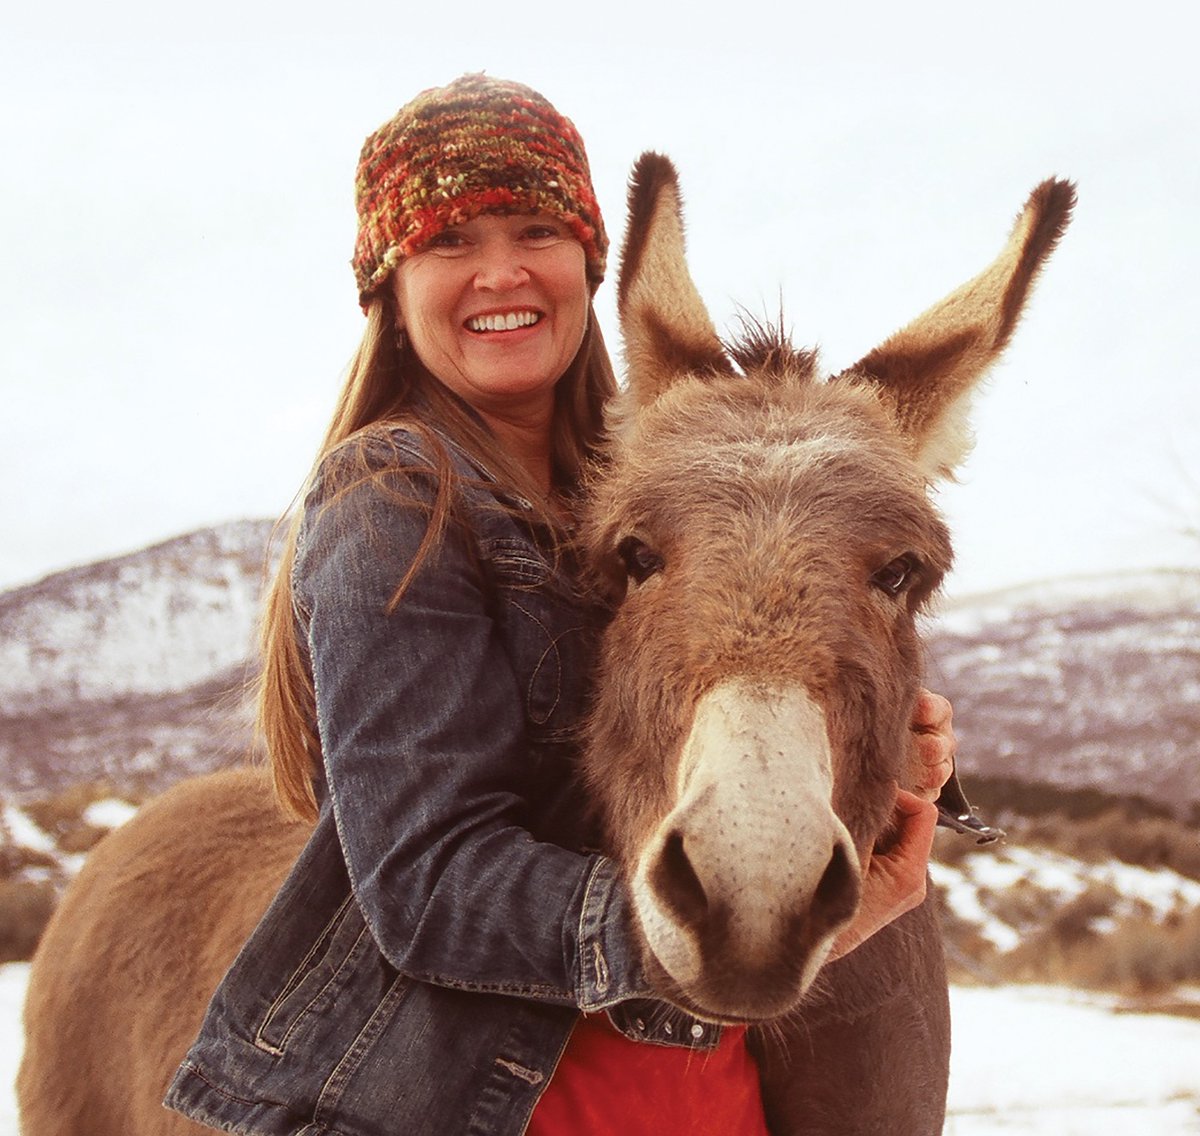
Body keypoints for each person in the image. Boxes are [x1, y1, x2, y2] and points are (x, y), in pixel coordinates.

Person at [165, 73, 955, 1136]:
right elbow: (428, 882)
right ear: (388, 288)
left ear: (591, 261)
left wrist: (879, 744)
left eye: (535, 226)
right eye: (450, 239)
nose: (501, 270)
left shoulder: (638, 492)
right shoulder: (393, 494)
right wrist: (669, 932)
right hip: (499, 1094)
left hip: (691, 1081)